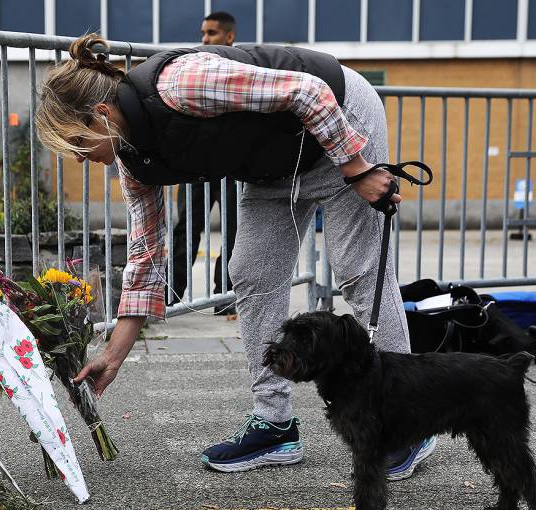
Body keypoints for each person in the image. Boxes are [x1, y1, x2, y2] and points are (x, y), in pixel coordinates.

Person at [34, 34, 436, 480]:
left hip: (340, 124)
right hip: (274, 162)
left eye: (77, 146)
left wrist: (357, 168)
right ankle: (275, 425)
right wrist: (113, 354)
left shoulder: (181, 85)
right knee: (250, 269)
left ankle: (406, 423)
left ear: (101, 116)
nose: (78, 161)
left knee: (357, 268)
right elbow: (146, 252)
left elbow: (309, 93)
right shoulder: (134, 162)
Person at [169, 11, 239, 316]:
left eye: (211, 33)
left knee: (235, 230)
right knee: (186, 227)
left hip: (233, 166)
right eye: (203, 33)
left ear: (229, 37)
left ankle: (224, 294)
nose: (205, 39)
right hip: (197, 163)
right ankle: (171, 294)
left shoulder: (240, 66)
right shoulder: (195, 65)